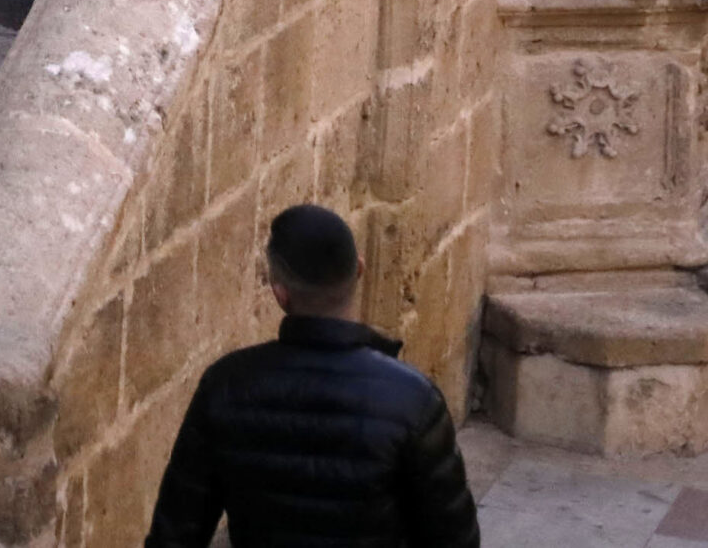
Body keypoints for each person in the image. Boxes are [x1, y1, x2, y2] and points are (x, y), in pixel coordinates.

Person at [143, 204, 478, 548]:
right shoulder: (415, 400)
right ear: (359, 268)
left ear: (279, 292)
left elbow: (175, 534)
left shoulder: (224, 386)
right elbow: (454, 538)